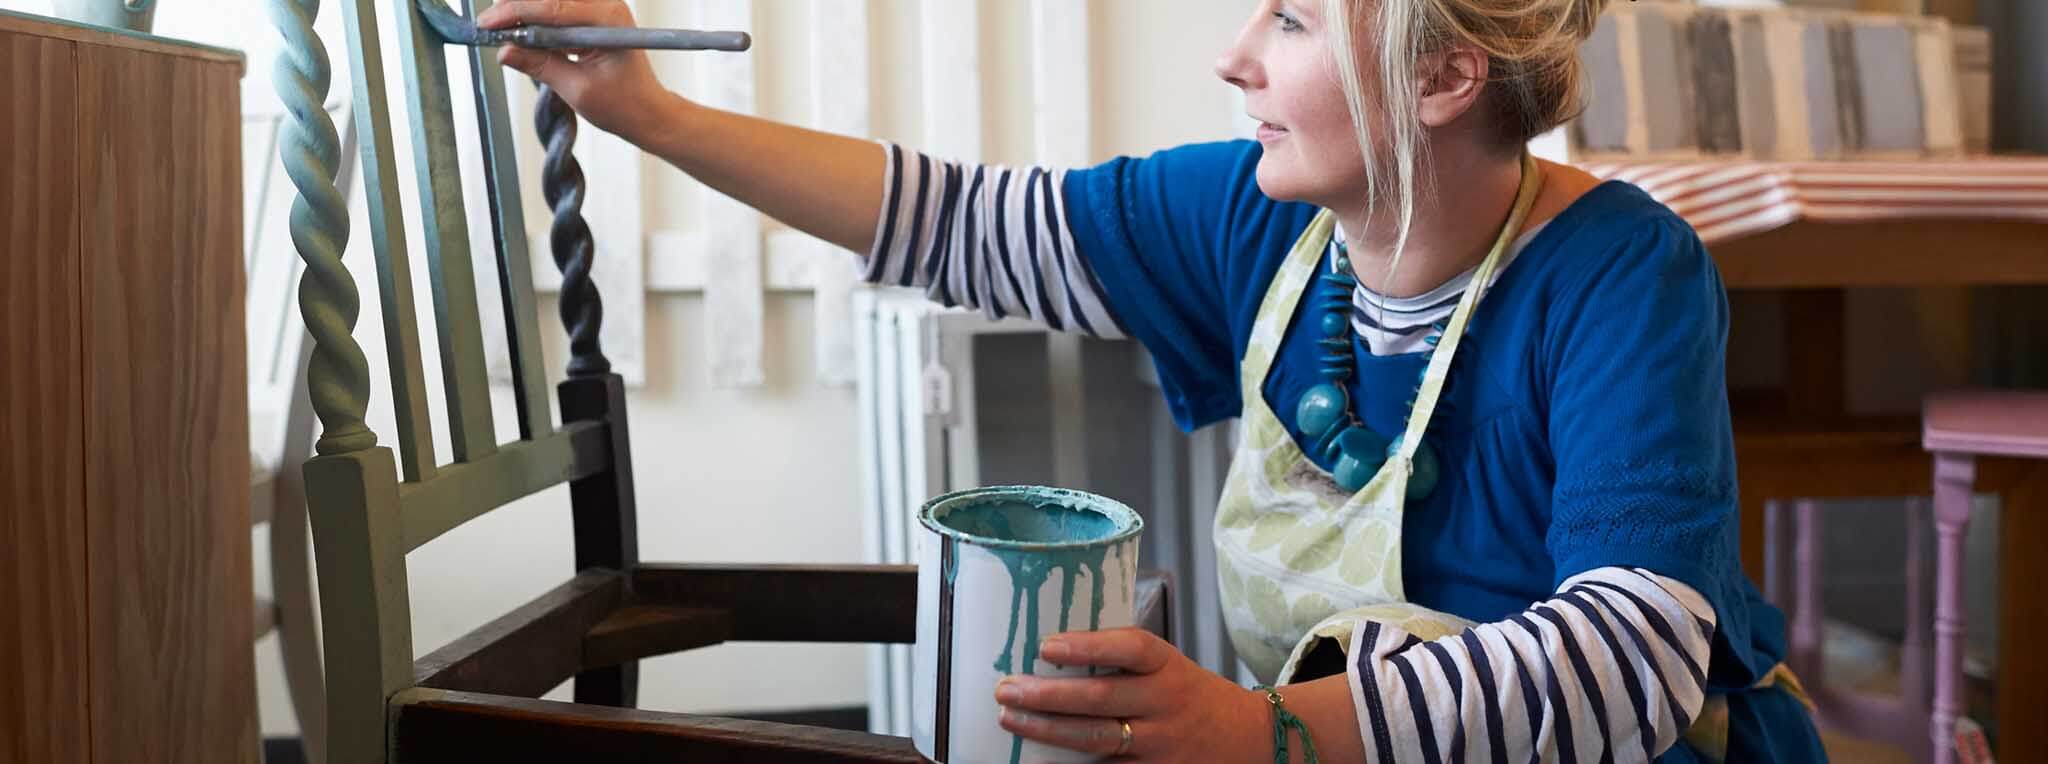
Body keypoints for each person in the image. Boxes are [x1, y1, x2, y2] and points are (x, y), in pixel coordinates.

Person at [477, 0, 1827, 760]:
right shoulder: (1259, 217)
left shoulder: (1621, 276)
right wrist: (649, 113)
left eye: (1292, 18)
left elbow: (1630, 662)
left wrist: (1260, 737)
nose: (1236, 54)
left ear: (1447, 75)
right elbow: (958, 222)